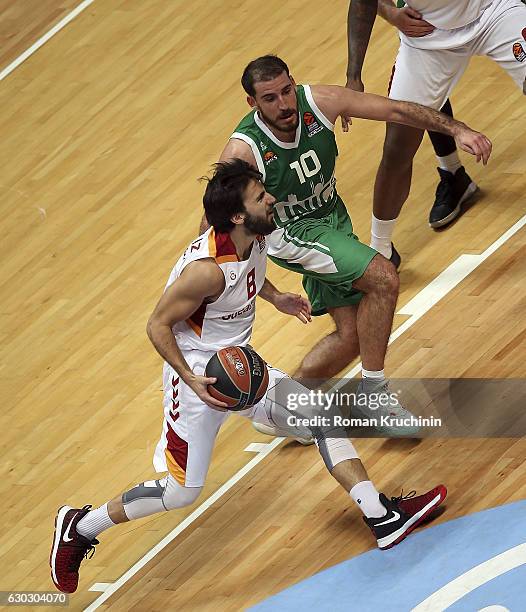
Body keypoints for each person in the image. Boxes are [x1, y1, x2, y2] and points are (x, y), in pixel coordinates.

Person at [50, 160, 447, 594]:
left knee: (319, 414)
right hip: (199, 382)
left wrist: (275, 297)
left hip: (242, 367)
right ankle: (81, 526)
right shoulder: (204, 271)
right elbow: (156, 325)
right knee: (182, 492)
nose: (271, 199)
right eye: (261, 197)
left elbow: (253, 272)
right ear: (238, 216)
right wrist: (190, 377)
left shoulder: (256, 234)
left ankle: (381, 516)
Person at [207, 55, 490, 436]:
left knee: (355, 335)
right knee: (384, 278)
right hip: (292, 233)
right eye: (270, 98)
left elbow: (396, 109)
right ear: (252, 104)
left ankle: (284, 409)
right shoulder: (243, 152)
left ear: (295, 83)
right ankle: (375, 399)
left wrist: (457, 129)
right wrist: (269, 293)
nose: (284, 104)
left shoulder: (320, 102)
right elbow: (214, 236)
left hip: (333, 220)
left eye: (287, 91)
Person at [346, 0, 525, 259]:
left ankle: (453, 175)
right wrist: (354, 77)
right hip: (427, 34)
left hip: (493, 11)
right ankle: (380, 250)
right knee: (397, 146)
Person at [353, 0, 478, 228]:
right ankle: (453, 172)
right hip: (427, 21)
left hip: (493, 9)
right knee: (421, 93)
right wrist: (391, 12)